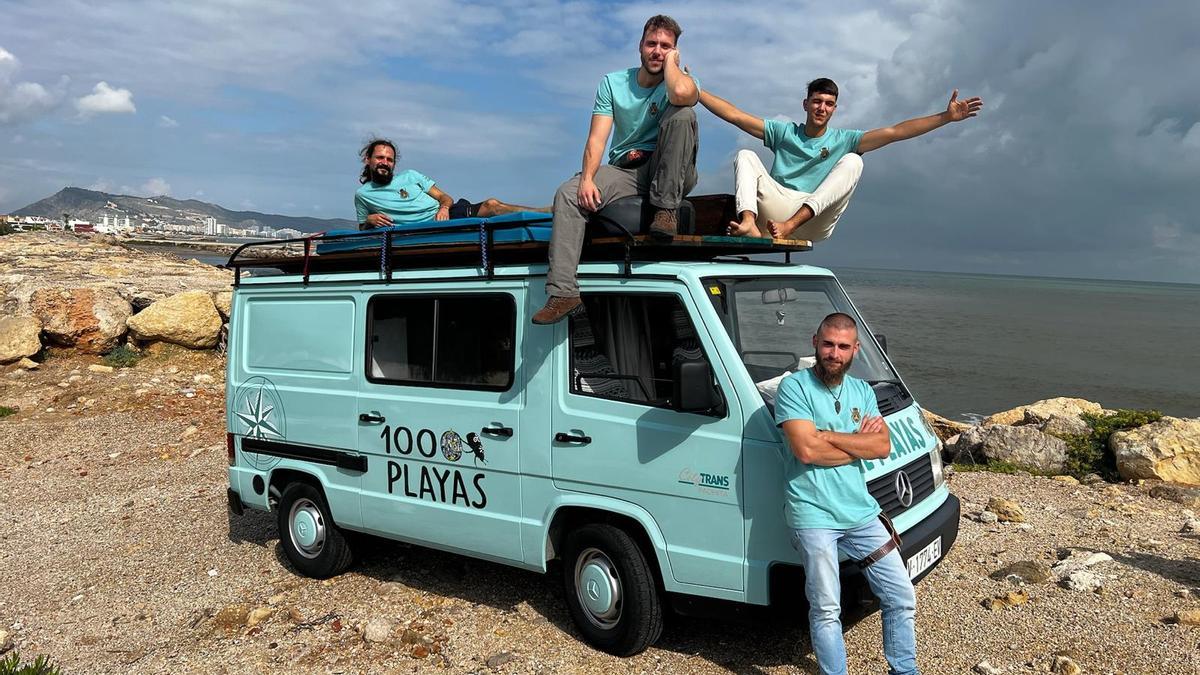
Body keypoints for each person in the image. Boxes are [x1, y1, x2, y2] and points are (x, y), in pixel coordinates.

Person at [531, 14, 700, 325]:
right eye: (652, 44)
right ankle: (563, 292)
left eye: (666, 46)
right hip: (628, 170)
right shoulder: (612, 82)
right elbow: (597, 139)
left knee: (682, 114)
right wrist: (587, 179)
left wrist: (673, 66)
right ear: (640, 46)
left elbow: (679, 96)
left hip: (671, 170)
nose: (657, 51)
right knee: (568, 193)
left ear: (676, 51)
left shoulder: (683, 81)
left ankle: (666, 211)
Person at [775, 313, 918, 675]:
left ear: (855, 350)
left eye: (842, 346)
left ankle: (904, 670)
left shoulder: (862, 391)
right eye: (827, 344)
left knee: (901, 596)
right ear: (814, 342)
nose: (833, 353)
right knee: (826, 608)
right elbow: (806, 452)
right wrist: (857, 442)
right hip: (814, 515)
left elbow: (883, 445)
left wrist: (827, 434)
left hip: (861, 513)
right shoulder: (794, 388)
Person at [700, 78, 983, 241]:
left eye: (828, 103)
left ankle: (790, 225)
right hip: (777, 211)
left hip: (813, 217)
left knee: (854, 161)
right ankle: (748, 222)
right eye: (816, 101)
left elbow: (895, 132)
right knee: (746, 155)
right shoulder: (784, 132)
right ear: (806, 104)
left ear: (834, 108)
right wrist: (695, 90)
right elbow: (735, 115)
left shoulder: (844, 140)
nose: (821, 108)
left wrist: (945, 118)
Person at [355, 138, 546, 230]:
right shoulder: (363, 195)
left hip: (446, 215)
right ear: (368, 159)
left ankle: (547, 213)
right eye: (380, 158)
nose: (385, 163)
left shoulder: (410, 176)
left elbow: (444, 197)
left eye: (389, 159)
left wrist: (444, 209)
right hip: (421, 229)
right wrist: (369, 221)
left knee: (491, 205)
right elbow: (362, 227)